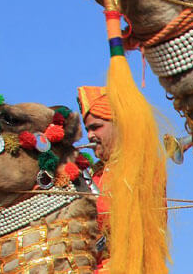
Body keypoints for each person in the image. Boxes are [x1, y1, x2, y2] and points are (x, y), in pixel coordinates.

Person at [77, 85, 114, 272]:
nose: (90, 135)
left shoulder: (142, 168)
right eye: (87, 129)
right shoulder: (91, 174)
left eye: (96, 127)